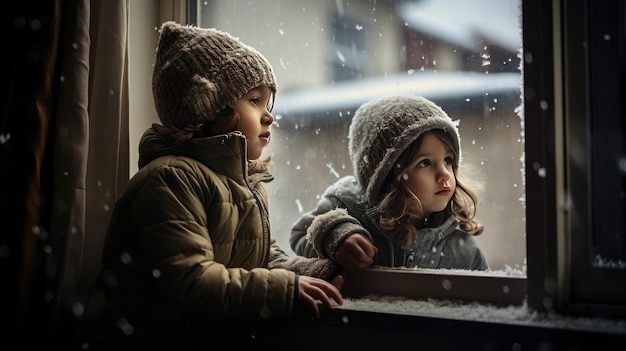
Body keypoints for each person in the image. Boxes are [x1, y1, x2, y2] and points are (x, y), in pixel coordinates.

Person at [78, 21, 343, 349]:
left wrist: (315, 271)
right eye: (255, 100)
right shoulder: (170, 180)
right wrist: (282, 290)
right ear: (209, 107)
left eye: (268, 103)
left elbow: (259, 259)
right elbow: (193, 282)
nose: (269, 116)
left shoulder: (242, 184)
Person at [290, 95, 488, 273]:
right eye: (425, 163)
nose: (444, 174)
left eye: (448, 160)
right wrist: (336, 237)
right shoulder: (348, 207)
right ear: (385, 176)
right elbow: (300, 235)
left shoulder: (465, 252)